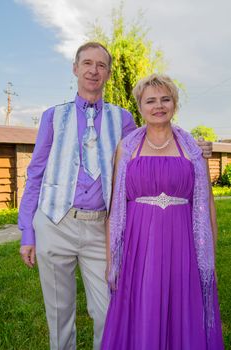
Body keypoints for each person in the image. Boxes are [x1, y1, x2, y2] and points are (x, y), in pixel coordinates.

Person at [18, 42, 212, 350]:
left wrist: (195, 146)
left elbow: (156, 136)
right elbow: (35, 175)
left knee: (108, 312)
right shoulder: (52, 117)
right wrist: (28, 231)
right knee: (59, 312)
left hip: (99, 226)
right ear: (75, 68)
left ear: (108, 72)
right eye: (87, 63)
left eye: (101, 65)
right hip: (55, 223)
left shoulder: (122, 119)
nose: (94, 70)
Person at [101, 74, 224, 350]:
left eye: (165, 99)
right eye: (151, 101)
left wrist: (210, 259)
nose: (159, 106)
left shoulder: (193, 148)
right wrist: (112, 261)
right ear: (140, 106)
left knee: (182, 307)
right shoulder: (127, 148)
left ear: (175, 104)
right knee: (142, 305)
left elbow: (207, 209)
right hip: (138, 245)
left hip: (183, 246)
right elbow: (116, 206)